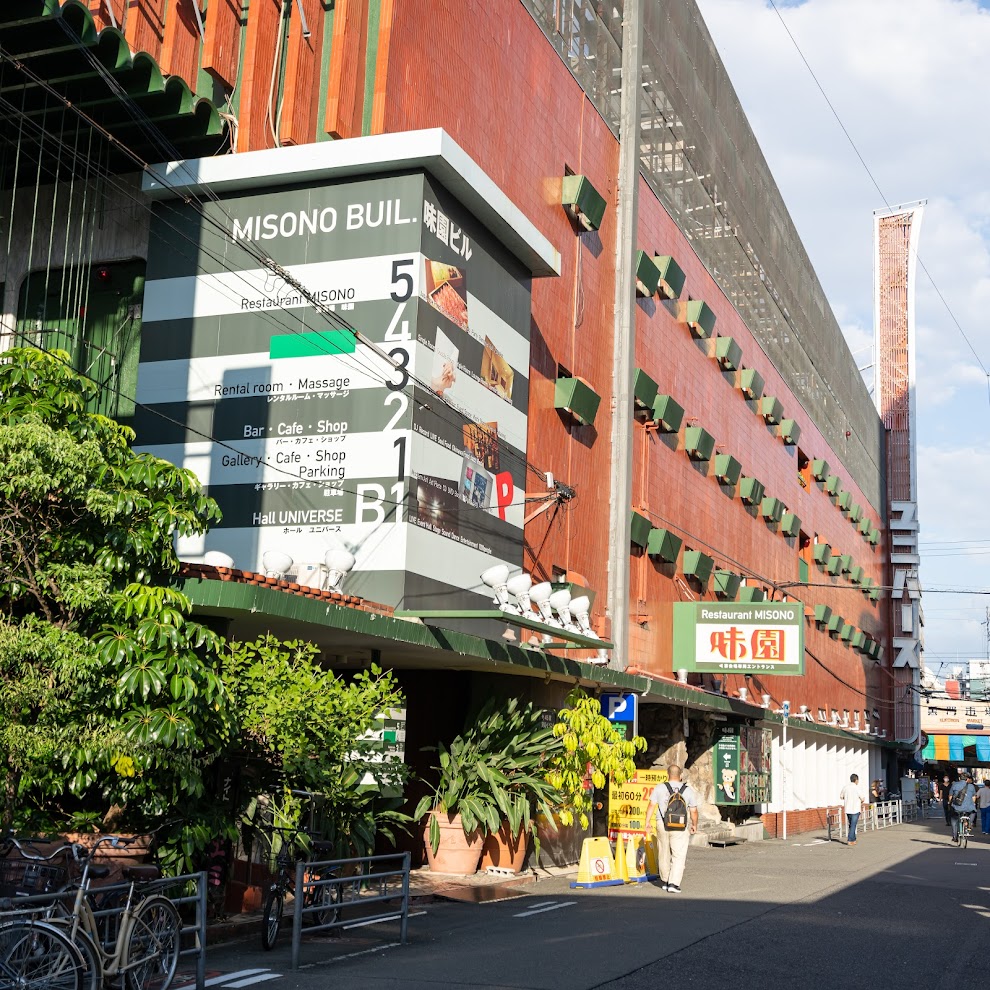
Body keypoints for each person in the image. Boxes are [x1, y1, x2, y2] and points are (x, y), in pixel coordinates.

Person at [644, 764, 699, 893]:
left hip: (662, 824)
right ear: (680, 776)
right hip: (680, 826)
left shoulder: (659, 788)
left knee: (663, 852)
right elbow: (694, 811)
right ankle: (673, 884)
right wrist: (694, 824)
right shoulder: (688, 790)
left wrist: (647, 822)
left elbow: (651, 805)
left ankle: (665, 880)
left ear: (667, 775)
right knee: (678, 854)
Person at [949, 773, 978, 843]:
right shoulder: (971, 786)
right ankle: (970, 824)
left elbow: (950, 796)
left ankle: (955, 836)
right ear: (967, 779)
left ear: (959, 778)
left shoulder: (954, 785)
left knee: (954, 820)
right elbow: (974, 797)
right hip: (969, 808)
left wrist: (950, 803)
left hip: (957, 807)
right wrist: (972, 803)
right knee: (973, 811)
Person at [840, 773, 867, 846]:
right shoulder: (857, 788)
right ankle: (850, 840)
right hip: (855, 808)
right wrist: (860, 800)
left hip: (848, 808)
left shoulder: (845, 787)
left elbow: (841, 797)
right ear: (856, 780)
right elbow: (862, 798)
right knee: (853, 825)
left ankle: (853, 839)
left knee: (851, 824)